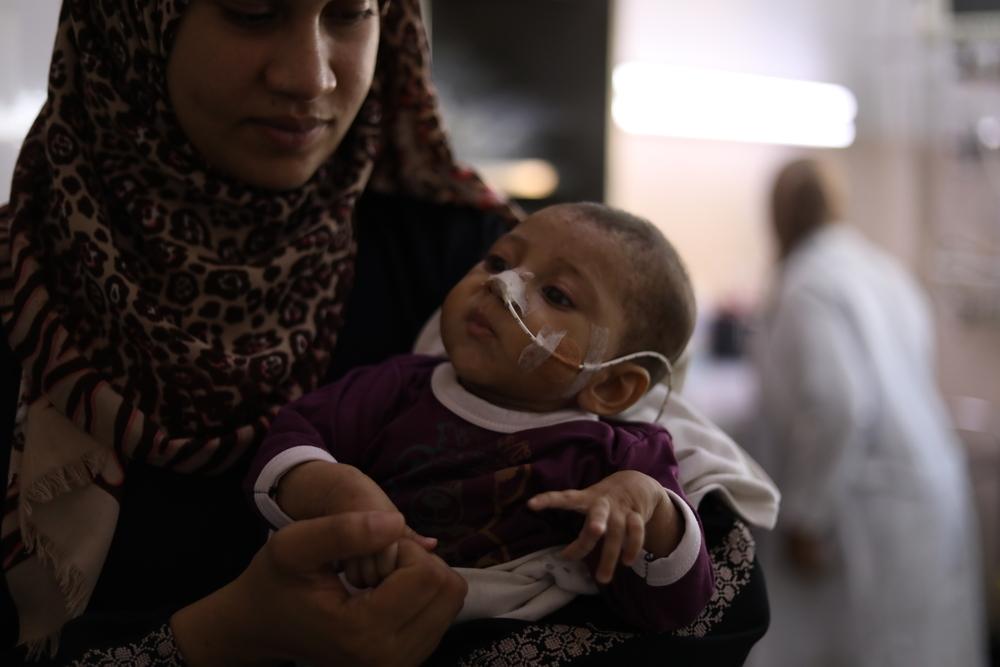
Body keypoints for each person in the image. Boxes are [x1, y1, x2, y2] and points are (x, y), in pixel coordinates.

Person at [0, 0, 779, 664]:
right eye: (250, 11)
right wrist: (229, 635)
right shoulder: (26, 290)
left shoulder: (454, 253)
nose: (310, 76)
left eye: (349, 13)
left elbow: (724, 600)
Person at [248, 202, 713, 633]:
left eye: (555, 294)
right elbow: (289, 438)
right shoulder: (397, 387)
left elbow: (679, 608)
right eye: (498, 262)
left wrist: (652, 510)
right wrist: (336, 492)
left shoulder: (619, 458)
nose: (501, 284)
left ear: (610, 387)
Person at [748, 158, 986, 667]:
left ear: (778, 214)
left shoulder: (808, 283)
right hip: (926, 483)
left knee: (871, 646)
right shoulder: (881, 268)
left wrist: (808, 517)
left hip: (871, 502)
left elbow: (840, 404)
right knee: (924, 645)